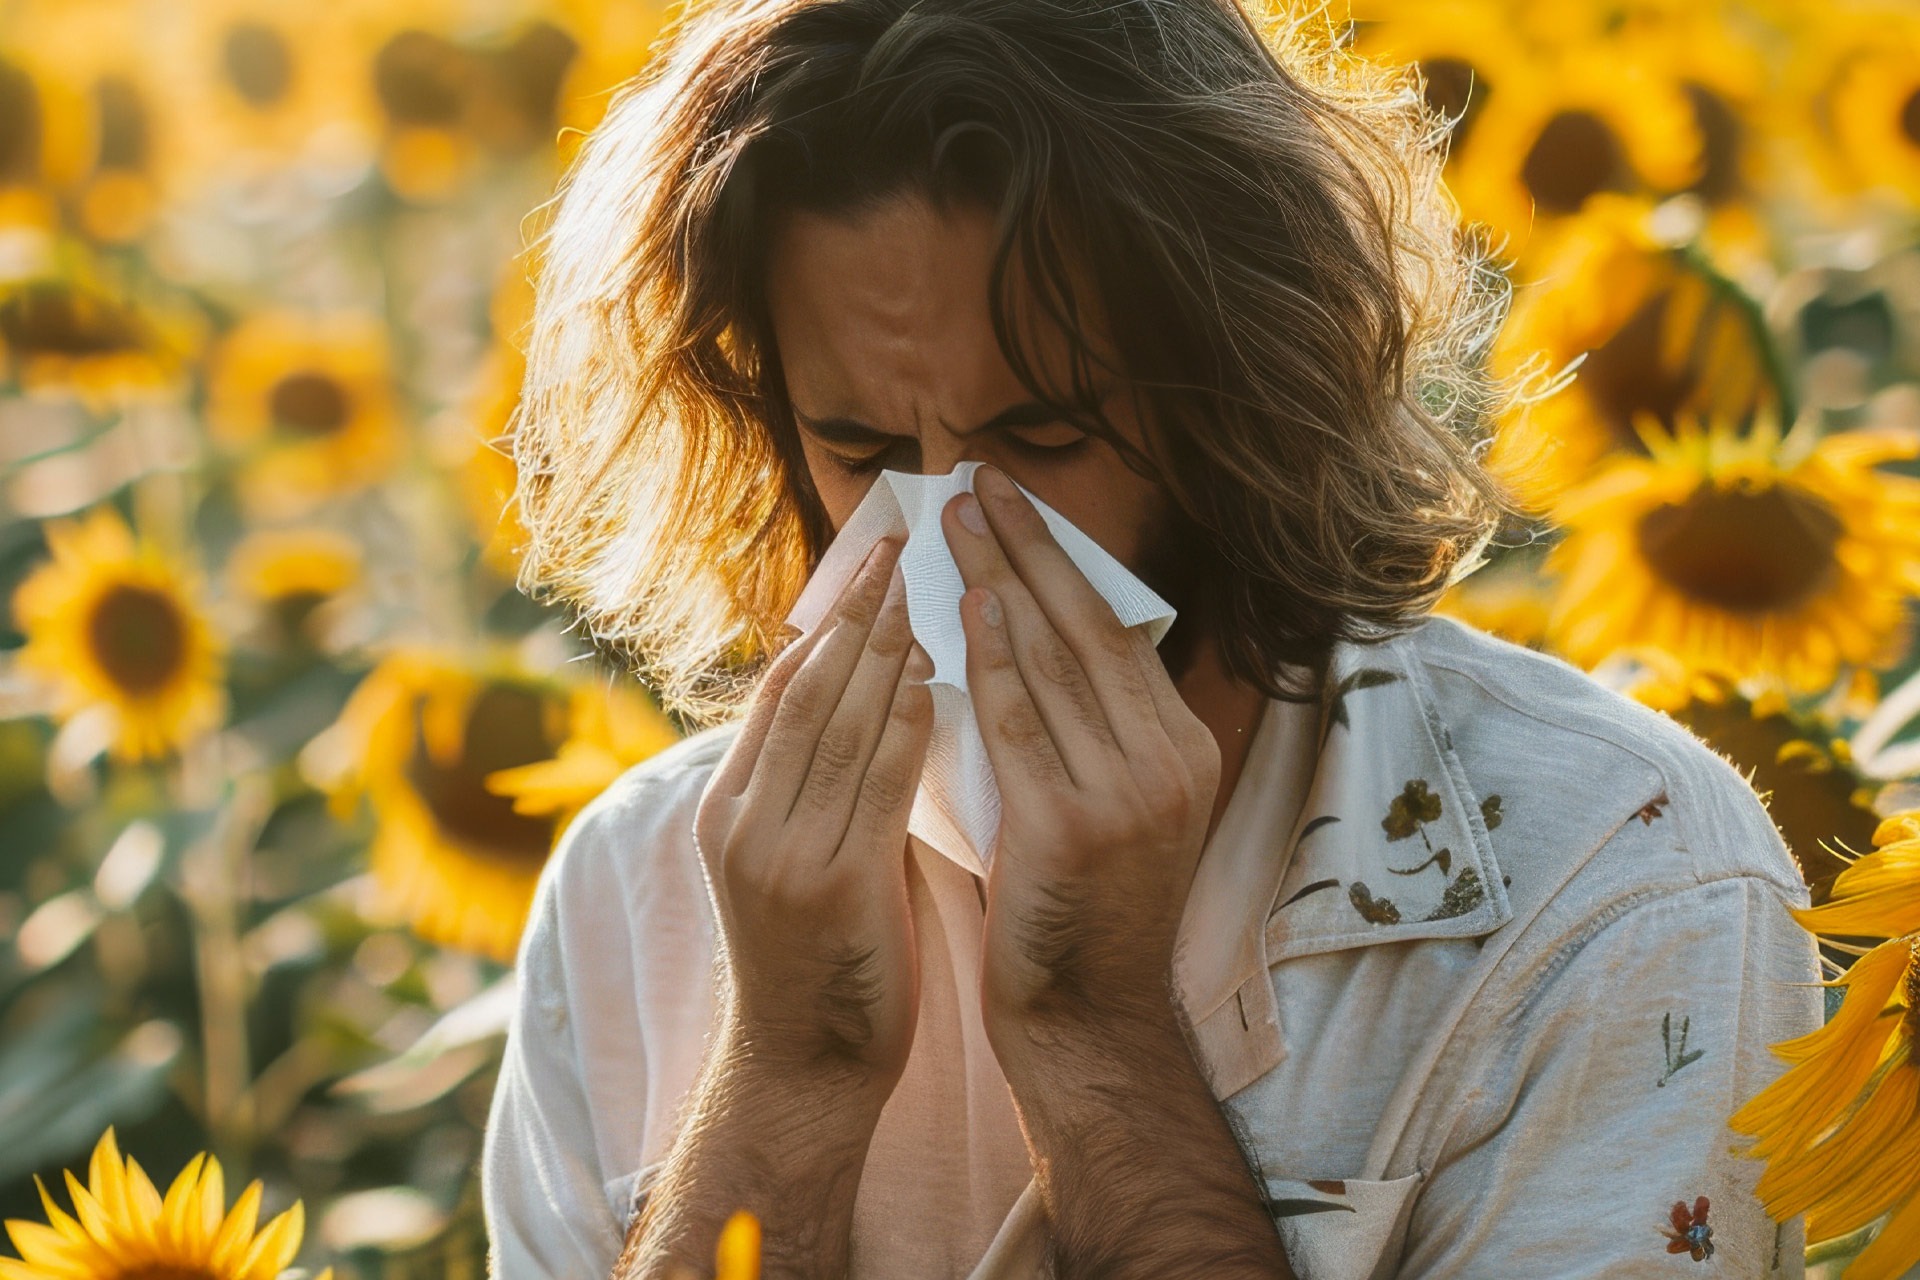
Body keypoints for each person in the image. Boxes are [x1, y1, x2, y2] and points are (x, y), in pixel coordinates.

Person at [480, 1, 1824, 1276]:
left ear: (1238, 396)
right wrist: (791, 1072)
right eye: (864, 452)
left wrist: (1096, 1033)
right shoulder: (639, 892)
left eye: (1043, 437)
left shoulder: (1612, 886)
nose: (948, 533)